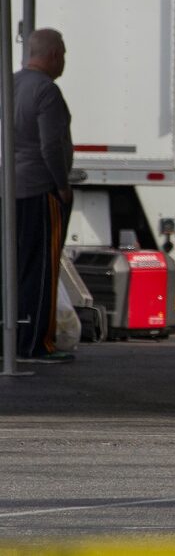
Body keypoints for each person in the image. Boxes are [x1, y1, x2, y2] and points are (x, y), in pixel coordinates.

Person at [13, 28, 74, 362]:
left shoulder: (10, 84)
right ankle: (36, 342)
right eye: (63, 54)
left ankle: (10, 340)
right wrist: (62, 185)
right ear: (53, 55)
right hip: (39, 190)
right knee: (40, 269)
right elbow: (51, 145)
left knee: (12, 266)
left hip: (9, 190)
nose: (64, 61)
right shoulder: (47, 92)